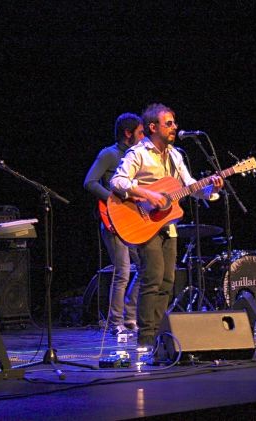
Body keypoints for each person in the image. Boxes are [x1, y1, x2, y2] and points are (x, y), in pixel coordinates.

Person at [110, 103, 223, 348]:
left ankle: (160, 335)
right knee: (152, 278)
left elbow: (190, 186)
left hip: (167, 224)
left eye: (174, 123)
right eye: (168, 123)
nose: (174, 127)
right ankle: (146, 339)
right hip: (143, 222)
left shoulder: (175, 155)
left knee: (167, 281)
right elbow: (117, 181)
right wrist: (148, 195)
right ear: (153, 127)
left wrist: (211, 188)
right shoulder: (137, 153)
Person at [83, 113, 145, 335]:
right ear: (128, 133)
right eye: (140, 132)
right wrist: (112, 201)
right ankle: (115, 322)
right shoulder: (109, 154)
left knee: (145, 267)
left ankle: (130, 316)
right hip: (113, 220)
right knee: (123, 271)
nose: (144, 136)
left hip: (134, 220)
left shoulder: (138, 156)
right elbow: (89, 181)